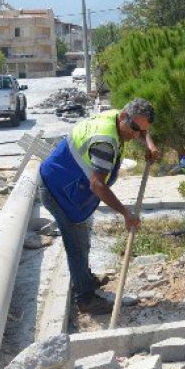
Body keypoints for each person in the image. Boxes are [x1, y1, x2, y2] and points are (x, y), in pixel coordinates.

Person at [39, 99, 161, 315]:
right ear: (124, 116)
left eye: (141, 131)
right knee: (76, 244)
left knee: (82, 237)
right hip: (59, 189)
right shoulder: (105, 142)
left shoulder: (118, 117)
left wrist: (150, 144)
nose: (135, 135)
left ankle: (85, 278)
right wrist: (126, 213)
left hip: (67, 182)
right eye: (133, 129)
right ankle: (85, 299)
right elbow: (97, 185)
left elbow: (140, 129)